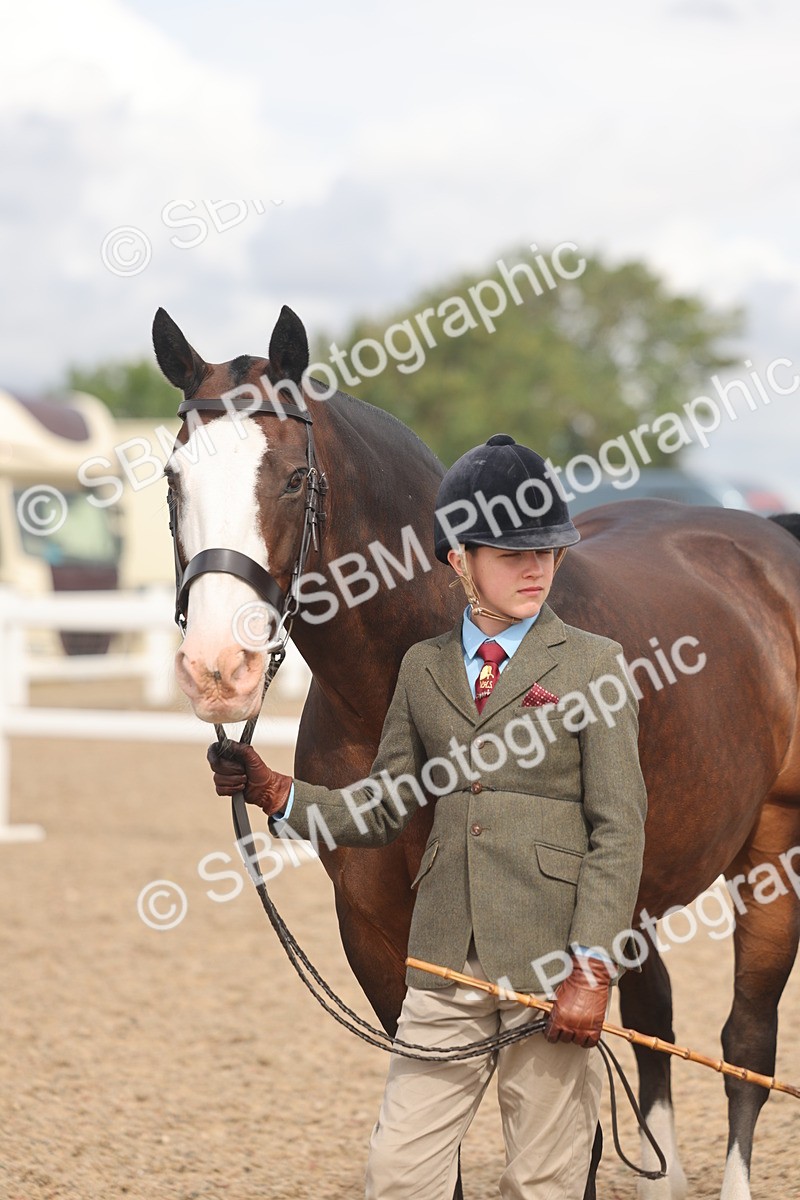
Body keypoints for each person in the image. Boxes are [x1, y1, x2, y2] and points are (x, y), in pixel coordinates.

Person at [208, 434, 647, 1200]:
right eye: (511, 554)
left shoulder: (592, 666)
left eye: (546, 552)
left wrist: (592, 968)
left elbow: (619, 828)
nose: (536, 569)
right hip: (443, 964)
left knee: (544, 1180)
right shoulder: (424, 668)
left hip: (548, 968)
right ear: (458, 561)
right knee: (398, 1174)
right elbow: (384, 805)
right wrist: (277, 792)